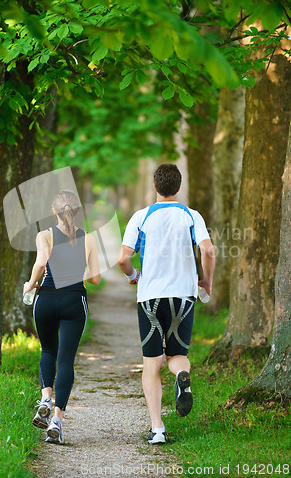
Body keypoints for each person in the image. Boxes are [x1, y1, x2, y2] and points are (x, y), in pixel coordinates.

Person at [118, 164, 215, 444]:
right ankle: (182, 376)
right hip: (183, 296)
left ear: (155, 186)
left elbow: (123, 258)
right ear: (179, 187)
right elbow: (208, 249)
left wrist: (133, 275)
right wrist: (206, 281)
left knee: (152, 363)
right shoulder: (191, 215)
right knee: (176, 356)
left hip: (150, 297)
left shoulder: (141, 216)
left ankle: (157, 429)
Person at [23, 190, 100, 444]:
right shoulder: (88, 239)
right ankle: (56, 421)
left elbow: (42, 262)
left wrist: (30, 284)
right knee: (66, 360)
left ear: (54, 211)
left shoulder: (44, 235)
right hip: (74, 301)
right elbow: (96, 278)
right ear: (77, 212)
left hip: (46, 299)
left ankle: (45, 398)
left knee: (47, 351)